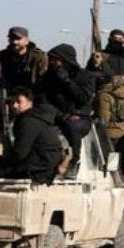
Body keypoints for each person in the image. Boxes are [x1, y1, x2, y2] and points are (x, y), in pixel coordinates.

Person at [0, 26, 48, 154]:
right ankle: (2, 139)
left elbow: (43, 78)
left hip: (32, 91)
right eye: (12, 39)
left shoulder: (38, 56)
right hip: (9, 91)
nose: (14, 42)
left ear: (27, 40)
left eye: (18, 39)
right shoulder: (3, 55)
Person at [35, 44, 95, 178]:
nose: (51, 62)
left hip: (79, 118)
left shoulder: (85, 76)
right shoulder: (48, 77)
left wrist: (67, 81)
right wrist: (59, 115)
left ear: (65, 60)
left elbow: (83, 98)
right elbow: (42, 99)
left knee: (72, 126)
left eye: (55, 59)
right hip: (56, 116)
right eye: (50, 59)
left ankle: (73, 162)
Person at [0, 87, 63, 183]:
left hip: (38, 168)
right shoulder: (35, 117)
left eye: (18, 102)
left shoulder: (29, 121)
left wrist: (2, 160)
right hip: (44, 165)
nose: (14, 106)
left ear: (30, 102)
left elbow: (20, 153)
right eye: (12, 102)